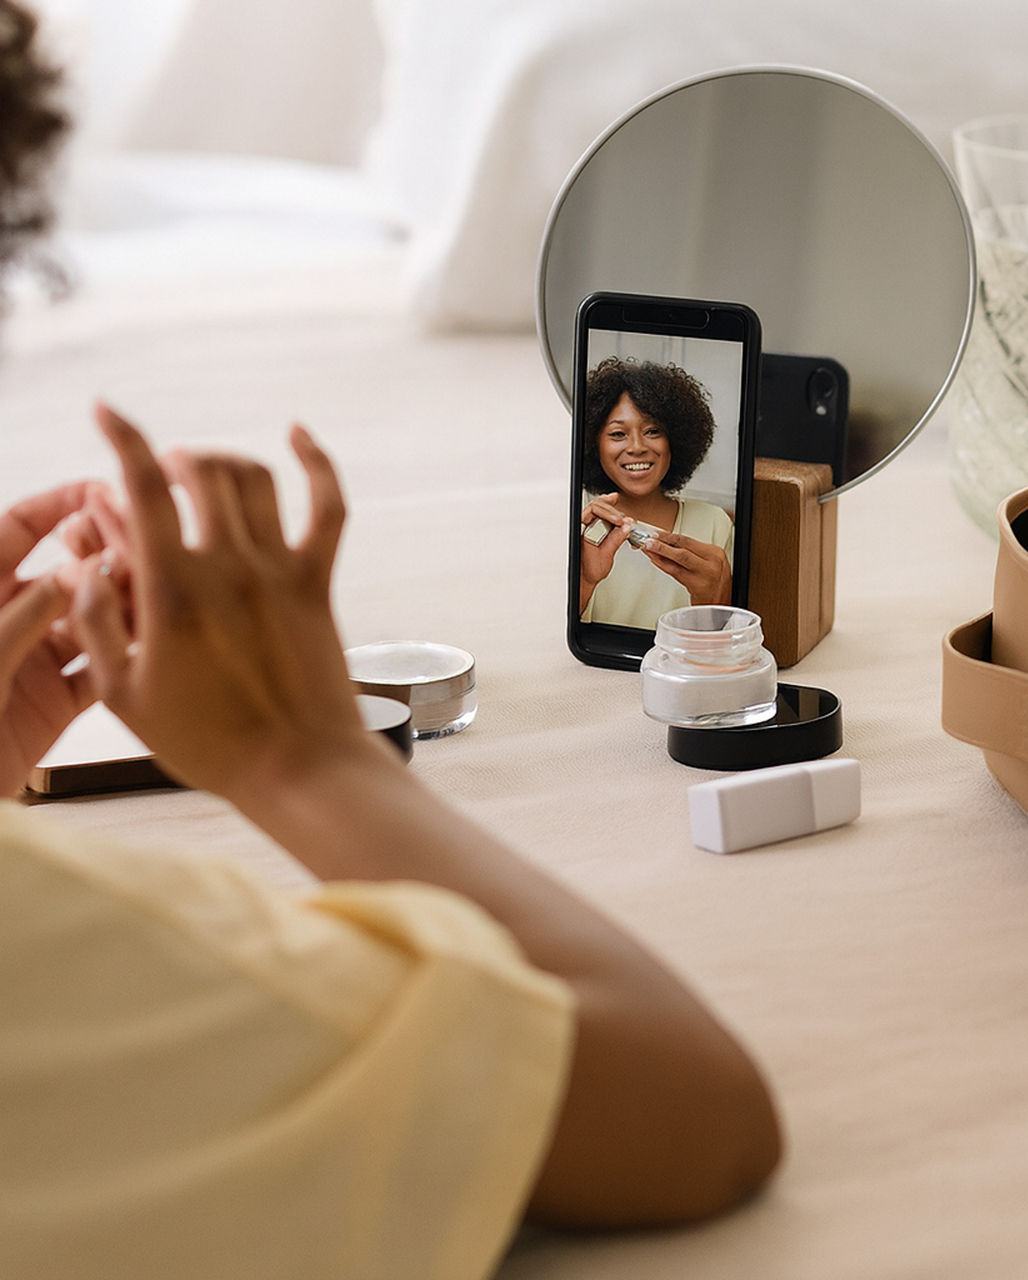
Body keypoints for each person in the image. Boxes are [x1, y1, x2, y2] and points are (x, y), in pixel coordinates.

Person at [0, 5, 782, 1277]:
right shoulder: (61, 954)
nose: (629, 450)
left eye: (651, 436)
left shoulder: (697, 520)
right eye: (614, 432)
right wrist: (303, 752)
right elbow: (690, 1108)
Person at [579, 356, 736, 628]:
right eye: (618, 434)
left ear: (675, 438)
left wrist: (713, 599)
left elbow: (724, 638)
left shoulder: (714, 523)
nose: (637, 447)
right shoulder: (579, 515)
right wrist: (585, 579)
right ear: (594, 442)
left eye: (652, 431)